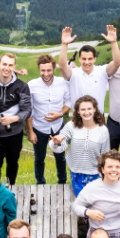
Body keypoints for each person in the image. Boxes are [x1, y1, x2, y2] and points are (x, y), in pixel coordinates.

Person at [0, 53, 32, 183]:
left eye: (10, 65)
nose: (7, 68)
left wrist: (15, 118)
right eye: (4, 64)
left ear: (14, 67)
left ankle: (11, 187)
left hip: (14, 133)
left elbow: (28, 110)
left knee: (12, 163)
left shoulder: (22, 86)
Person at [53, 95, 113, 196]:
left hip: (95, 174)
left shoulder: (103, 130)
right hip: (76, 173)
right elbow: (60, 145)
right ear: (78, 111)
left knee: (95, 201)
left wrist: (105, 175)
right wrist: (56, 142)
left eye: (89, 109)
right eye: (83, 109)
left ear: (94, 109)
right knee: (82, 200)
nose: (86, 112)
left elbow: (106, 155)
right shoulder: (71, 126)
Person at [27, 53, 71, 183]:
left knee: (60, 157)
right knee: (39, 158)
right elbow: (29, 109)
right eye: (43, 70)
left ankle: (62, 182)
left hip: (58, 127)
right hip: (39, 128)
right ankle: (40, 183)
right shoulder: (31, 85)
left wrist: (61, 113)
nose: (46, 74)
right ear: (39, 70)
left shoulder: (62, 83)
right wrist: (30, 131)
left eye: (48, 70)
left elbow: (69, 101)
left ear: (54, 69)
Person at [58, 30, 109, 123]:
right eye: (84, 59)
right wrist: (64, 44)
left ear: (94, 59)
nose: (86, 62)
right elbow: (62, 66)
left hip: (98, 117)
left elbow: (117, 63)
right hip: (78, 118)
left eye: (90, 59)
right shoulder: (73, 73)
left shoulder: (101, 71)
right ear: (79, 59)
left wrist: (113, 42)